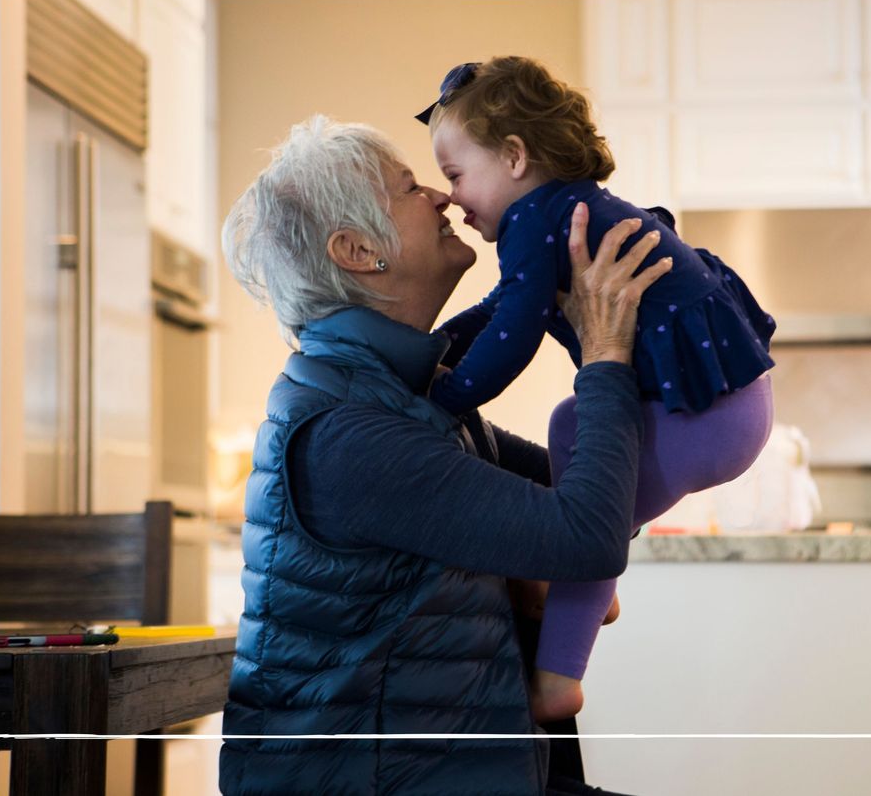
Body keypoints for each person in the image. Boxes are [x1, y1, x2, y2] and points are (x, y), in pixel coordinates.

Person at [218, 115, 669, 795]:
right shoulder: (348, 431)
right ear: (356, 249)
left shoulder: (405, 396)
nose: (440, 196)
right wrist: (605, 352)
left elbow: (588, 497)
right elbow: (589, 536)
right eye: (408, 188)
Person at [417, 56, 777, 720]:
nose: (454, 199)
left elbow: (517, 331)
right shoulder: (562, 209)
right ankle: (590, 588)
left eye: (456, 175)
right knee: (570, 424)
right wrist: (434, 350)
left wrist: (450, 393)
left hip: (707, 413)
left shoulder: (534, 221)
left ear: (515, 157)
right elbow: (503, 306)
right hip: (729, 406)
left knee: (586, 505)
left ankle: (559, 676)